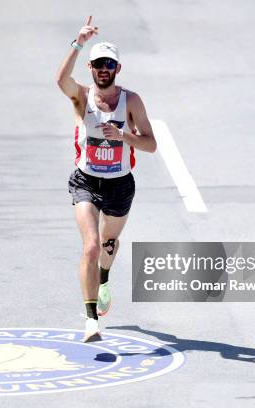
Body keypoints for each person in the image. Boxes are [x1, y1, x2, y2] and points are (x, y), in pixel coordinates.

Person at [56, 16, 157, 342]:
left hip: (119, 184)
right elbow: (61, 80)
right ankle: (90, 321)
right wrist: (78, 42)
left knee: (108, 245)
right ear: (91, 68)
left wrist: (124, 136)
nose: (104, 69)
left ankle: (103, 279)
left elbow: (151, 144)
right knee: (91, 245)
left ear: (117, 68)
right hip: (86, 180)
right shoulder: (82, 98)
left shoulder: (131, 102)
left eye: (109, 64)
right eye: (98, 64)